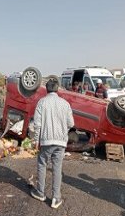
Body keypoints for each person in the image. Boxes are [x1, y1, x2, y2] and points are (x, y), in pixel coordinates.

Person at [30, 78, 74, 209]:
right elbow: (71, 123)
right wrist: (63, 130)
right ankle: (56, 198)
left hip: (46, 140)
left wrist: (36, 140)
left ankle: (40, 193)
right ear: (57, 89)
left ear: (47, 89)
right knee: (57, 168)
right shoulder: (65, 103)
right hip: (60, 142)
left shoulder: (41, 102)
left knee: (42, 165)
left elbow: (37, 125)